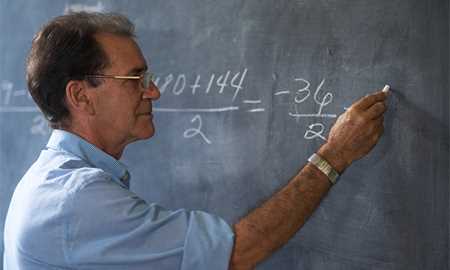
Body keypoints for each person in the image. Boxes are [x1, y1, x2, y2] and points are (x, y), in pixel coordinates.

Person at [3, 12, 389, 270]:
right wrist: (334, 155)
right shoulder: (78, 198)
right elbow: (236, 252)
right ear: (81, 96)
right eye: (135, 79)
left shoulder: (53, 182)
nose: (152, 92)